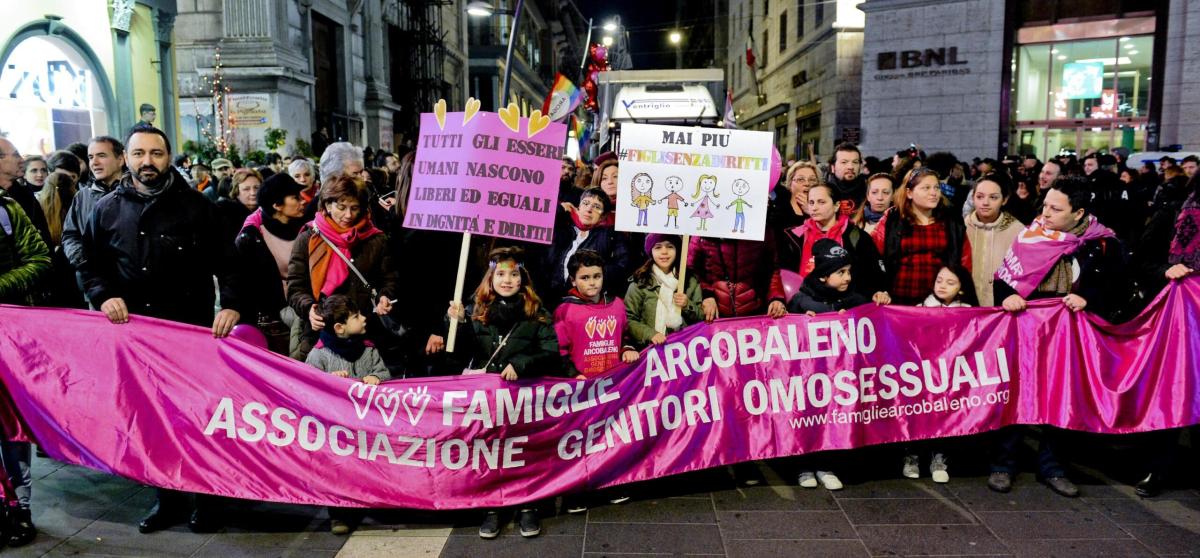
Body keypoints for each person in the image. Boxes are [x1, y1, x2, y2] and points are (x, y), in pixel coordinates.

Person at [77, 125, 244, 533]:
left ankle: (207, 500)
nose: (147, 162)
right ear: (126, 159)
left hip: (190, 331)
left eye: (156, 153)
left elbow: (229, 262)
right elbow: (91, 263)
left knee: (197, 418)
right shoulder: (107, 209)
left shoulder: (197, 206)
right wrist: (103, 296)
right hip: (136, 336)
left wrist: (234, 305)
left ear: (169, 157)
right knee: (150, 420)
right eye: (138, 154)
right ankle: (164, 498)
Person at [990, 177, 1125, 498]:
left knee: (1062, 396)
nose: (1045, 213)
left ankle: (1053, 466)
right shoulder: (1032, 236)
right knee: (1017, 392)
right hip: (1026, 329)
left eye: (1055, 208)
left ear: (1078, 214)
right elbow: (1004, 278)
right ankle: (1003, 463)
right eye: (1045, 204)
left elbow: (1118, 288)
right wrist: (1007, 297)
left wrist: (1089, 299)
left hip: (1073, 334)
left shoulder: (1103, 243)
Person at [444, 247, 560, 539]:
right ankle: (492, 507)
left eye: (513, 274)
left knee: (523, 451)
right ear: (491, 277)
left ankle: (528, 505)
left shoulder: (537, 311)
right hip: (489, 400)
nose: (507, 280)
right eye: (501, 274)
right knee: (492, 452)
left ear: (523, 278)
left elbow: (551, 352)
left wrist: (521, 364)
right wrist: (454, 323)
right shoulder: (476, 309)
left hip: (523, 397)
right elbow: (460, 354)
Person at [287, 175, 398, 364]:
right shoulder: (308, 238)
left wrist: (385, 296)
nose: (348, 215)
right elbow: (296, 287)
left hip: (366, 333)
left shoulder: (375, 240)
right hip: (321, 335)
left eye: (354, 208)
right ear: (327, 205)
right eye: (341, 207)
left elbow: (390, 279)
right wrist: (309, 309)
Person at [786, 239, 867, 492]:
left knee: (832, 416)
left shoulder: (855, 299)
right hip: (807, 374)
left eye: (849, 271)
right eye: (840, 272)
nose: (847, 277)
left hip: (838, 376)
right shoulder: (802, 301)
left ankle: (825, 465)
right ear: (822, 277)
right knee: (805, 416)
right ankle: (802, 466)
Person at [304, 294, 389, 535]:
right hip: (335, 430)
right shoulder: (318, 355)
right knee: (336, 469)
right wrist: (328, 382)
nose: (364, 318)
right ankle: (339, 512)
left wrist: (377, 379)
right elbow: (307, 387)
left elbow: (384, 375)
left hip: (365, 426)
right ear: (340, 328)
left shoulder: (368, 350)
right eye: (356, 316)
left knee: (366, 466)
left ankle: (368, 502)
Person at [0, 183, 52, 548]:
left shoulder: (7, 210)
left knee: (10, 427)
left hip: (8, 338)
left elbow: (40, 260)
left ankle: (19, 507)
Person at [871, 167, 972, 306]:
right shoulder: (893, 219)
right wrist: (879, 290)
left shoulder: (951, 220)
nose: (933, 193)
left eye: (936, 188)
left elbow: (964, 261)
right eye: (926, 188)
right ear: (909, 193)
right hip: (899, 300)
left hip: (939, 302)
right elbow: (872, 256)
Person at [234, 173, 306, 354]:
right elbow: (245, 287)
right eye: (295, 198)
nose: (302, 201)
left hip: (305, 313)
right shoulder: (252, 237)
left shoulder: (306, 227)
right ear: (276, 205)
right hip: (273, 323)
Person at [779, 183, 886, 301]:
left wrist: (877, 293)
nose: (814, 207)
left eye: (821, 202)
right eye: (811, 202)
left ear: (836, 206)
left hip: (846, 309)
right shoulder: (793, 236)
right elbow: (783, 276)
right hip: (803, 308)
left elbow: (873, 276)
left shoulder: (857, 236)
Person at [61, 136, 126, 307]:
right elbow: (70, 235)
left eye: (102, 155)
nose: (94, 162)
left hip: (131, 286)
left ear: (121, 159)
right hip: (95, 290)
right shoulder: (82, 197)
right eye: (90, 157)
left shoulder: (136, 194)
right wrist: (83, 260)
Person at [544, 188, 631, 304]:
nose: (589, 209)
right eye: (585, 203)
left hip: (587, 303)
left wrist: (590, 274)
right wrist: (559, 209)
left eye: (597, 207)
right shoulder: (562, 229)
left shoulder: (611, 235)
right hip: (550, 300)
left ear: (603, 216)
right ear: (578, 207)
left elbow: (623, 267)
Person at [624, 234, 702, 349]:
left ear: (677, 250)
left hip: (683, 350)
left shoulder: (690, 281)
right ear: (651, 252)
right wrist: (650, 334)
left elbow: (701, 319)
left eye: (670, 247)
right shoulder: (639, 283)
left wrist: (687, 305)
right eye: (658, 247)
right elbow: (629, 320)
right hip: (650, 351)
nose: (664, 252)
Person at [965, 173, 1022, 306]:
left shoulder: (1017, 231)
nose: (985, 202)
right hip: (965, 305)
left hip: (1002, 306)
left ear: (1004, 199)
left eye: (993, 197)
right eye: (979, 196)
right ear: (973, 198)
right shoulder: (961, 228)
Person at [0, 138, 51, 245]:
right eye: (15, 155)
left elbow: (44, 239)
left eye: (43, 170)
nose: (22, 160)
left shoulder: (26, 195)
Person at [215, 168, 262, 245]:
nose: (253, 193)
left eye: (256, 188)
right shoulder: (226, 215)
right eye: (246, 189)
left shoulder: (267, 213)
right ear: (236, 192)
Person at [826, 143, 865, 215]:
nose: (850, 167)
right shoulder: (823, 191)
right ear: (833, 167)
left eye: (855, 162)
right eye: (844, 162)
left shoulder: (869, 190)